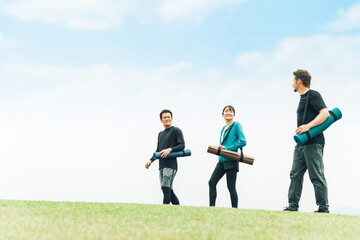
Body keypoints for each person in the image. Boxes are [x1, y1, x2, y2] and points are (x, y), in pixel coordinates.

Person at [284, 69, 330, 213]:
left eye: (293, 81)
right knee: (295, 174)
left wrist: (308, 126)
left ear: (299, 81)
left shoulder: (313, 95)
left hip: (314, 143)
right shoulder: (301, 98)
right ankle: (292, 206)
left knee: (316, 175)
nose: (292, 84)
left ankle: (323, 208)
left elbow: (325, 113)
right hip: (300, 144)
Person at [208, 105, 246, 208]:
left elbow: (243, 141)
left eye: (231, 111)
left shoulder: (237, 125)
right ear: (222, 114)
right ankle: (211, 207)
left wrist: (227, 148)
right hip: (221, 161)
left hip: (231, 160)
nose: (228, 113)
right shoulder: (223, 129)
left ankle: (234, 209)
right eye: (226, 111)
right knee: (211, 182)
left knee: (231, 187)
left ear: (234, 114)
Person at [145, 109, 185, 205]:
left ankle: (164, 211)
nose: (167, 119)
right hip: (162, 165)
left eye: (168, 117)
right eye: (165, 117)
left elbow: (182, 145)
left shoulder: (176, 131)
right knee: (167, 189)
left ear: (171, 118)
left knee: (166, 188)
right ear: (161, 120)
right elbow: (158, 150)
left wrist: (170, 149)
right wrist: (150, 160)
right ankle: (179, 210)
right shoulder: (160, 134)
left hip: (171, 165)